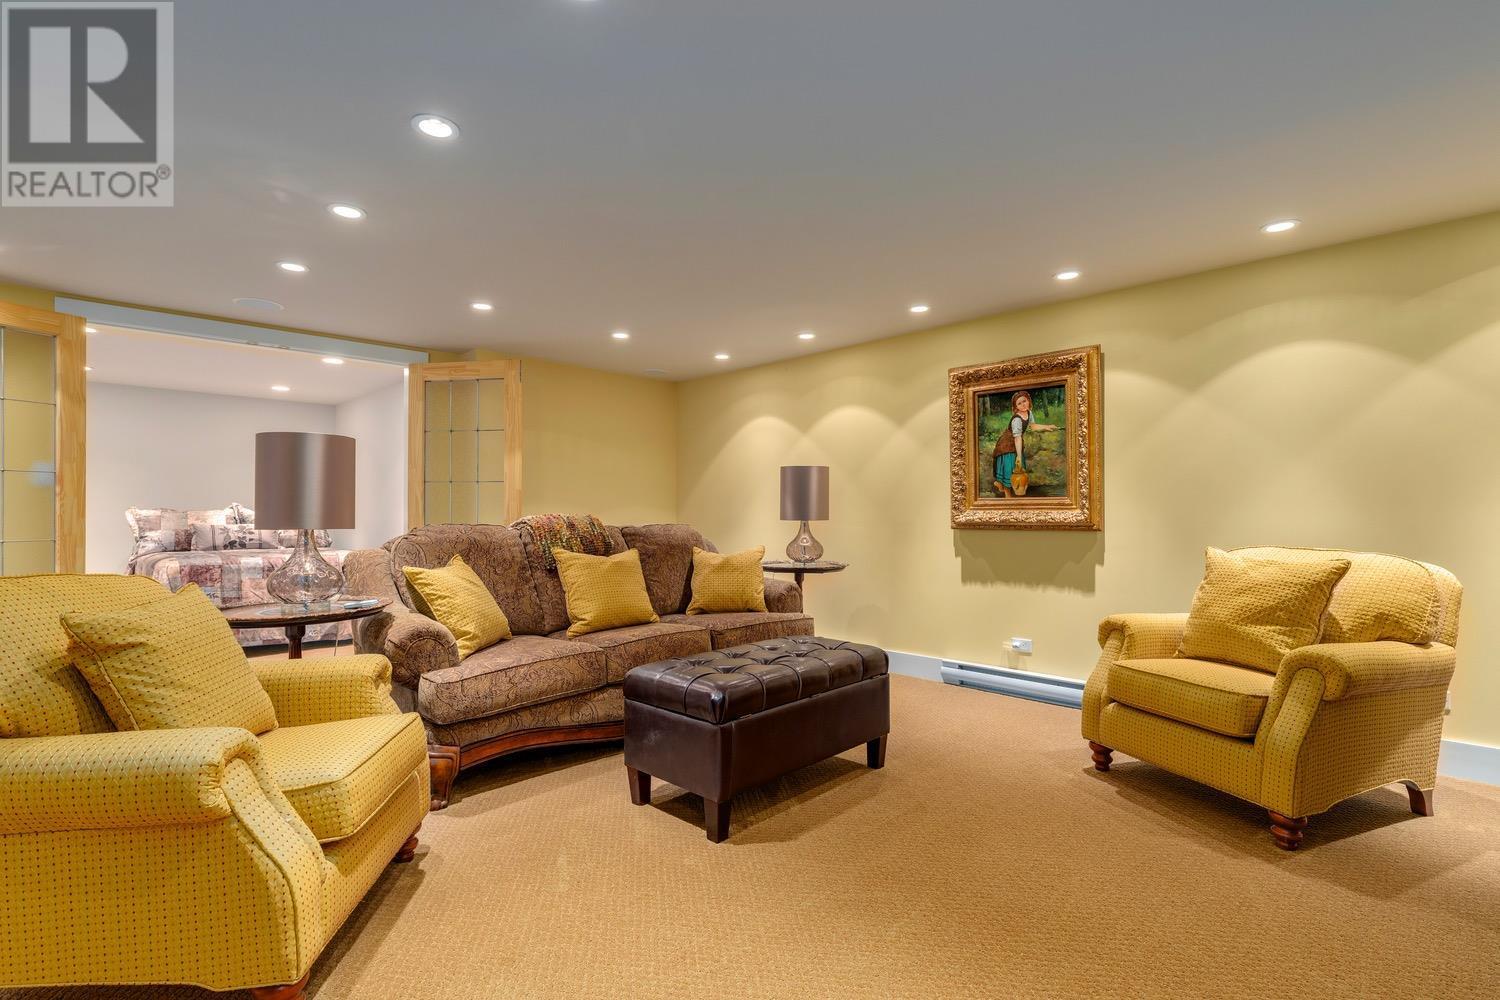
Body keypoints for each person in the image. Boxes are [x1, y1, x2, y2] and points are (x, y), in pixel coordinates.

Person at [991, 390, 1057, 497]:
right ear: (1016, 407)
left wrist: (1047, 426)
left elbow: (1033, 426)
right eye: (1019, 403)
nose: (1023, 405)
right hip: (1007, 446)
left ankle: (1001, 485)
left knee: (1019, 469)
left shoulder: (1029, 413)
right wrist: (1019, 455)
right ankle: (1007, 494)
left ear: (1028, 401)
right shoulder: (1016, 419)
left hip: (1017, 443)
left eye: (1024, 401)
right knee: (1011, 468)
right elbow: (1017, 438)